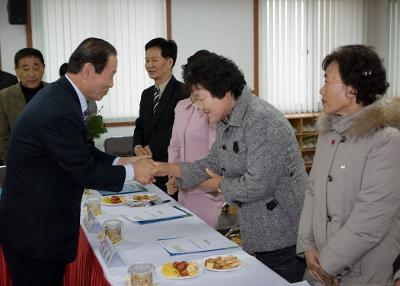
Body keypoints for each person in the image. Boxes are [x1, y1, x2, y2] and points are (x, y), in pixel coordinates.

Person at [0, 37, 154, 286]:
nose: (112, 84)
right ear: (89, 70)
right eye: (111, 75)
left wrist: (121, 160)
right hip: (35, 232)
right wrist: (132, 172)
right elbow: (83, 171)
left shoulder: (63, 96)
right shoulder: (59, 108)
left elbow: (79, 151)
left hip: (37, 225)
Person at [152, 53, 307, 282]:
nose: (197, 106)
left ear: (223, 91)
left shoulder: (262, 120)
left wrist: (218, 184)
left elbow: (257, 185)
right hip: (259, 229)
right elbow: (211, 163)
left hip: (283, 231)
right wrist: (168, 168)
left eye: (200, 98)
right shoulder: (229, 119)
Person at [296, 45, 400, 286]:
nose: (321, 90)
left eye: (327, 81)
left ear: (352, 88)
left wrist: (327, 264)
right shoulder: (328, 132)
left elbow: (370, 219)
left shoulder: (385, 140)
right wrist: (307, 246)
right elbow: (313, 192)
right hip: (320, 266)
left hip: (361, 273)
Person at [167, 50, 223, 228]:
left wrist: (184, 177)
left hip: (206, 191)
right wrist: (172, 173)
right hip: (183, 190)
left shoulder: (212, 108)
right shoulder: (181, 106)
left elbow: (216, 155)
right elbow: (174, 145)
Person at [133, 37, 186, 196]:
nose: (149, 65)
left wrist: (152, 147)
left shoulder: (183, 92)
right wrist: (137, 147)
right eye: (147, 60)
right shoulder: (147, 94)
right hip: (147, 167)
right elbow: (140, 124)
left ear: (169, 62)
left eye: (154, 60)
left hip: (169, 167)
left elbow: (178, 130)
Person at [0, 48, 47, 164]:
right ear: (16, 70)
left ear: (43, 68)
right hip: (19, 163)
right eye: (25, 69)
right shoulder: (4, 97)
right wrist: (11, 162)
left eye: (36, 68)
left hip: (55, 162)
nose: (31, 74)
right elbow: (2, 137)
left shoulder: (57, 93)